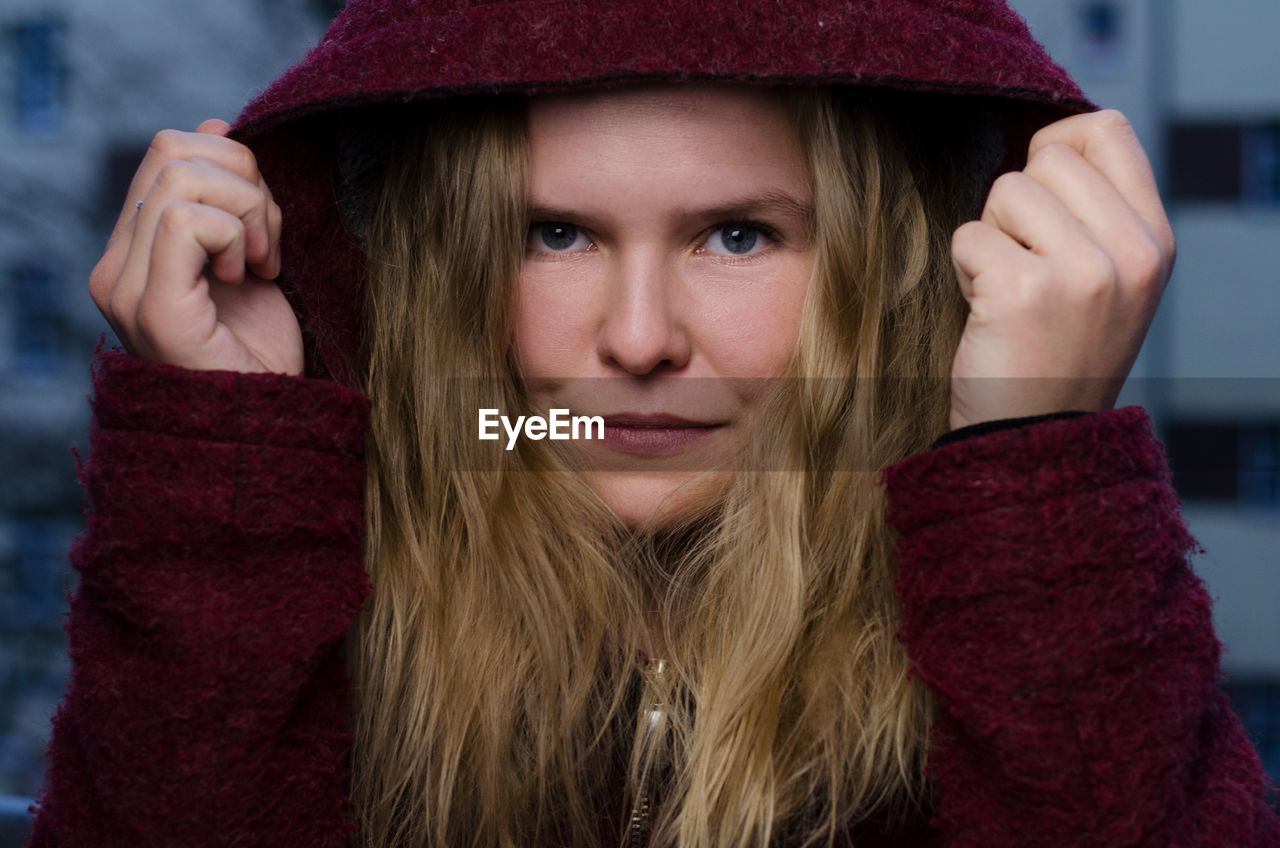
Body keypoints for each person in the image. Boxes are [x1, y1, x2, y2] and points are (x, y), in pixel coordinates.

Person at [28, 1, 1280, 846]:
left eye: (737, 234)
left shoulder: (1001, 625)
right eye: (552, 233)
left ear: (890, 267)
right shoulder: (333, 604)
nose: (636, 340)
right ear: (430, 270)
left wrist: (1027, 471)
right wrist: (229, 478)